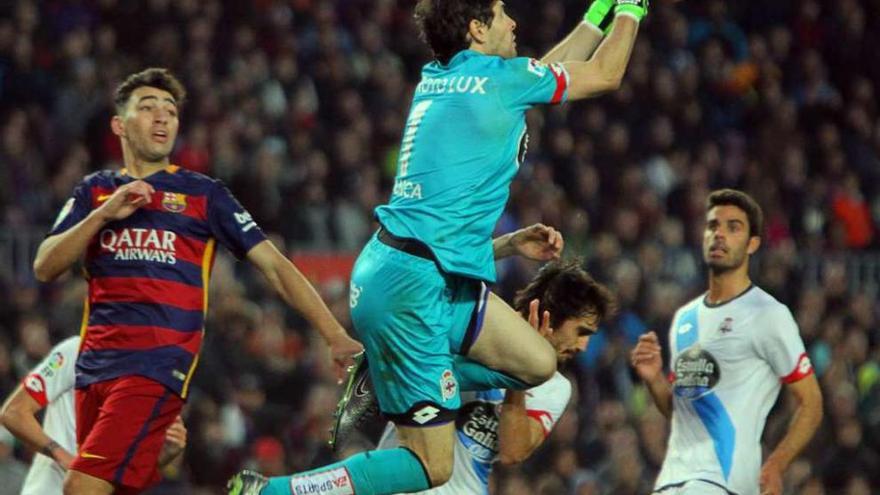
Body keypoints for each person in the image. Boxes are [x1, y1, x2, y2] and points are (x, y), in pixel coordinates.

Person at [229, 0, 648, 493]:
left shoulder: (444, 76)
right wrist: (631, 9)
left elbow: (541, 77)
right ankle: (271, 491)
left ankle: (408, 368)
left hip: (410, 273)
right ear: (476, 28)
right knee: (431, 467)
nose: (515, 22)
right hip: (415, 289)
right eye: (502, 13)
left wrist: (597, 14)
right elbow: (603, 73)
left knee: (538, 363)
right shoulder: (504, 80)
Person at [33, 67, 363, 495]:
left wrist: (334, 335)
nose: (161, 118)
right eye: (148, 108)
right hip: (94, 370)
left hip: (152, 367)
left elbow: (276, 267)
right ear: (119, 125)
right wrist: (103, 215)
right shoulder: (94, 192)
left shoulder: (204, 195)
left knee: (79, 487)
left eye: (169, 111)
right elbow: (44, 265)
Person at [630, 189, 823, 495]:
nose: (719, 234)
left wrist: (776, 464)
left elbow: (811, 402)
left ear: (752, 244)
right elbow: (684, 413)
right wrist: (654, 380)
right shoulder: (684, 318)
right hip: (672, 480)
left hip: (725, 481)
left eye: (733, 227)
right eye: (713, 226)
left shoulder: (767, 314)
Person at [379, 260, 616, 494]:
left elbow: (512, 452)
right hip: (398, 480)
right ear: (552, 313)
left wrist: (524, 368)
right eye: (581, 331)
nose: (584, 346)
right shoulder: (479, 325)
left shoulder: (555, 387)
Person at [0, 336, 187, 495]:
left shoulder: (150, 380)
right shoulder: (77, 351)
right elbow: (14, 413)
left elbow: (122, 478)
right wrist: (62, 455)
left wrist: (161, 458)